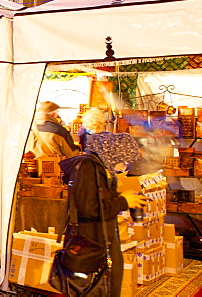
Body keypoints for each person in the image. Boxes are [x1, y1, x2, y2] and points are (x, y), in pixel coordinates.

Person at [60, 107, 145, 296]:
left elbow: (97, 199)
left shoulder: (99, 168)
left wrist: (121, 197)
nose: (123, 167)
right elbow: (89, 208)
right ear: (112, 153)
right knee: (94, 290)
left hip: (101, 239)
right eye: (122, 161)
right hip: (90, 243)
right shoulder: (88, 168)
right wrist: (122, 202)